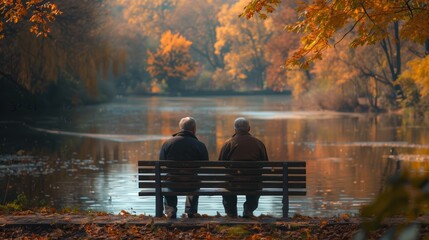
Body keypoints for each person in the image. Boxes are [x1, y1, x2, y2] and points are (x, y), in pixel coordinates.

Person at [218, 117, 268, 218]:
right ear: (249, 129)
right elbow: (265, 163)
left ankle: (231, 213)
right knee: (255, 183)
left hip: (233, 183)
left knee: (226, 185)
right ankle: (248, 210)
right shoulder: (259, 143)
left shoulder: (228, 143)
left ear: (235, 129)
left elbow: (221, 163)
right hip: (253, 183)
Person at [159, 117, 209, 219]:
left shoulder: (168, 143)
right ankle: (191, 211)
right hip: (192, 183)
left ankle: (170, 211)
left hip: (172, 182)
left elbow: (162, 162)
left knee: (167, 179)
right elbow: (205, 164)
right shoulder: (199, 145)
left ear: (180, 128)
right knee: (195, 179)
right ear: (194, 129)